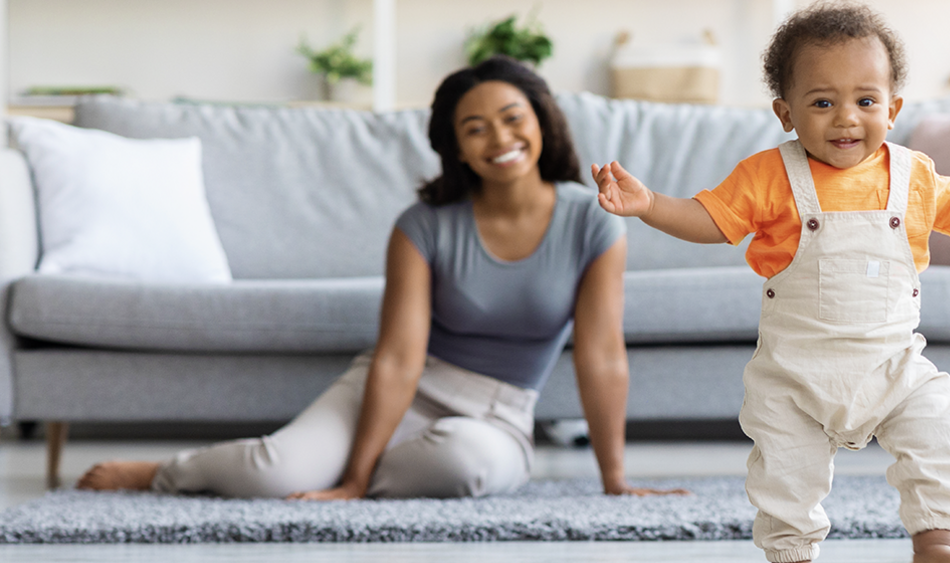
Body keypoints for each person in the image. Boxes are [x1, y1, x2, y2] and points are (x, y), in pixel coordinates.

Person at [590, 3, 950, 563]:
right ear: (786, 112)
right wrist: (651, 204)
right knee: (784, 476)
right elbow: (711, 220)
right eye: (823, 102)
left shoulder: (914, 176)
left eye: (866, 100)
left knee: (939, 430)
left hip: (893, 368)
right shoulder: (768, 175)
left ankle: (934, 541)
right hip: (793, 376)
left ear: (894, 108)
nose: (846, 119)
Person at [77, 56, 684, 501]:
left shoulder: (592, 219)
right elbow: (398, 357)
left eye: (511, 118)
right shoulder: (422, 226)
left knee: (465, 466)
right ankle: (164, 472)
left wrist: (615, 480)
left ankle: (348, 467)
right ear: (458, 149)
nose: (500, 138)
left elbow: (602, 356)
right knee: (273, 475)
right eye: (475, 128)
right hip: (400, 385)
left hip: (496, 415)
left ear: (542, 122)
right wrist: (356, 479)